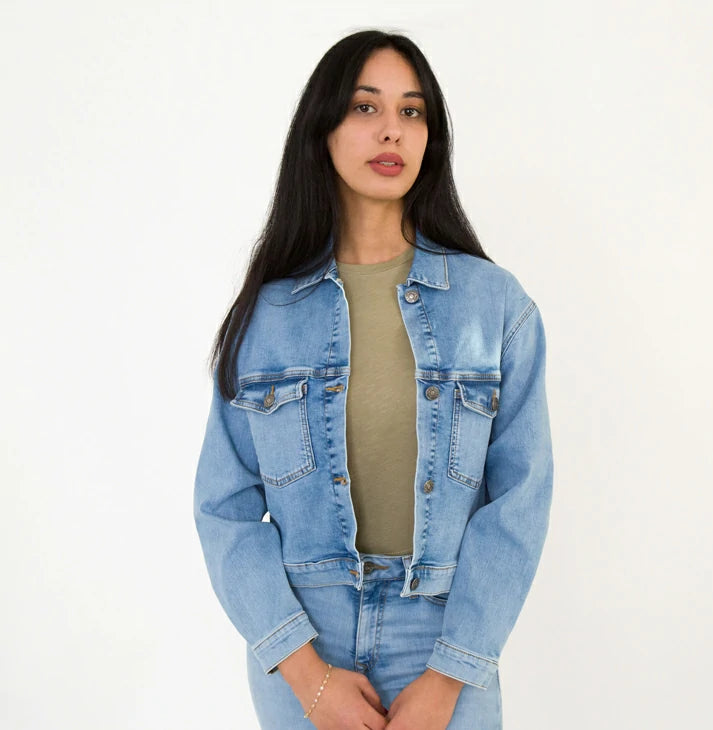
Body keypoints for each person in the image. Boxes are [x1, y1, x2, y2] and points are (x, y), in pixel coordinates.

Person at [193, 29, 553, 729]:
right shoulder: (265, 315)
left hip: (446, 637)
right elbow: (223, 507)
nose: (392, 130)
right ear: (322, 128)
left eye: (412, 112)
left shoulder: (495, 306)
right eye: (366, 107)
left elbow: (521, 499)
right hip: (306, 641)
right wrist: (307, 676)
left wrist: (449, 675)